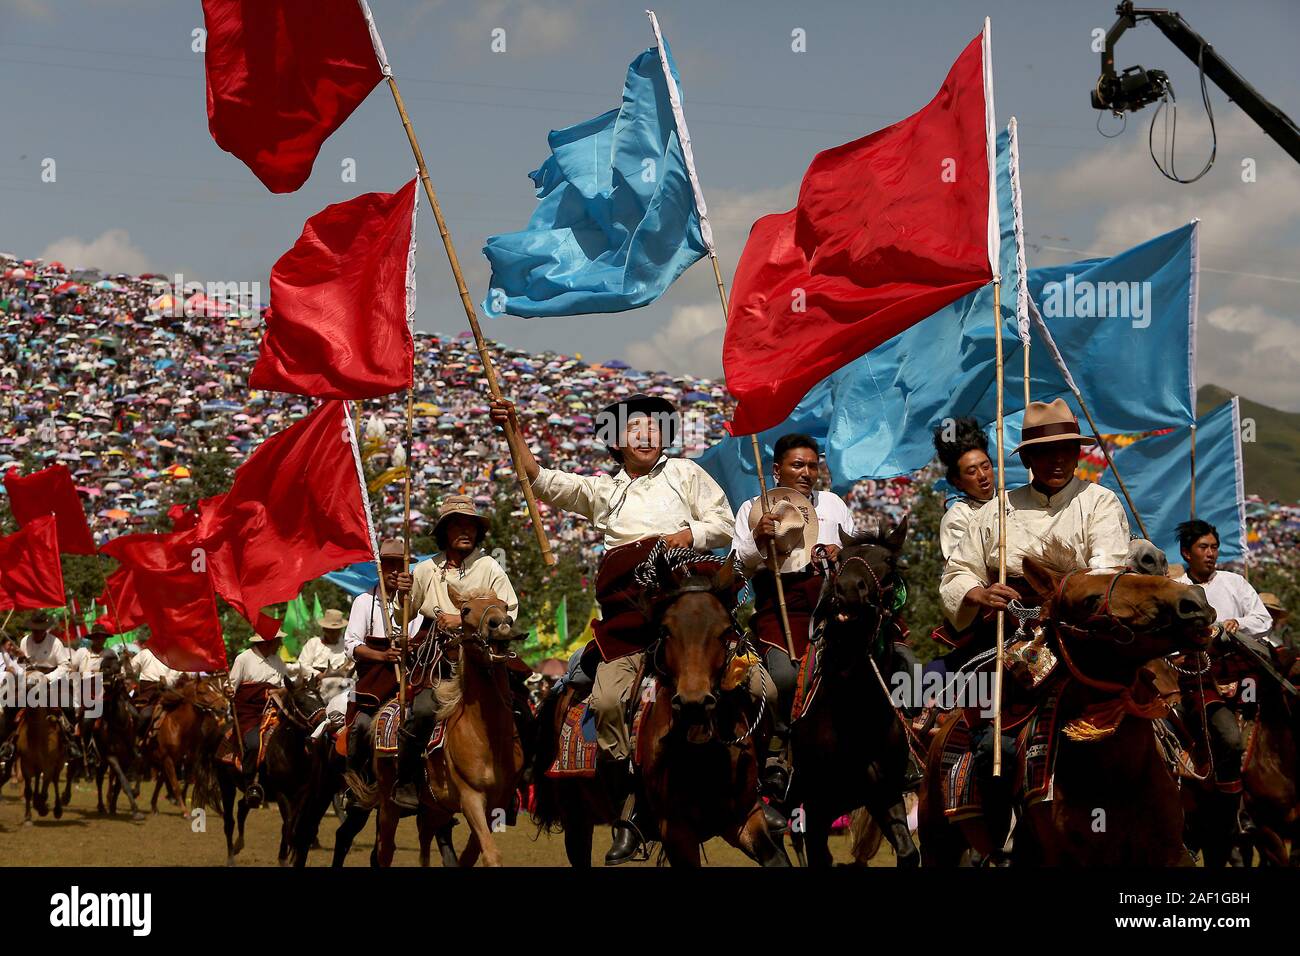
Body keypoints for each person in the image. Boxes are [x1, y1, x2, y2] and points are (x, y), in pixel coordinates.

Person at [490, 391, 768, 864]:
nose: (646, 434)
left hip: (688, 617)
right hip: (627, 623)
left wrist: (689, 535)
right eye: (634, 428)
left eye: (654, 428)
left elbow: (723, 523)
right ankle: (632, 807)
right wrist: (511, 429)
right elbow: (539, 480)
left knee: (764, 684)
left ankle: (766, 784)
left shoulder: (686, 474)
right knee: (605, 701)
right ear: (615, 442)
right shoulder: (604, 490)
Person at [939, 399, 1130, 848]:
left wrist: (1060, 597)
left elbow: (1105, 573)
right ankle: (996, 835)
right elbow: (957, 571)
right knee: (990, 745)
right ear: (1026, 458)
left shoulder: (1099, 501)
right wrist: (978, 592)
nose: (1058, 460)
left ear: (1080, 453)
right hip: (1007, 639)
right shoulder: (994, 510)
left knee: (1159, 709)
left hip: (1083, 639)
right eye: (1045, 452)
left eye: (1067, 450)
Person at [731, 433, 852, 798]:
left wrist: (839, 552)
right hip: (778, 610)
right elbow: (738, 566)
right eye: (798, 464)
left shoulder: (833, 504)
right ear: (776, 469)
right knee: (785, 675)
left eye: (813, 465)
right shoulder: (752, 507)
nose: (807, 472)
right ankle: (777, 751)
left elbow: (856, 553)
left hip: (830, 608)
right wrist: (757, 537)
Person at [390, 494, 517, 810]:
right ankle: (406, 781)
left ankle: (517, 779)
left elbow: (509, 611)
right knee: (420, 712)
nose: (465, 531)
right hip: (438, 657)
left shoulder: (489, 566)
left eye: (470, 526)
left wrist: (466, 621)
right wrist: (402, 594)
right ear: (444, 531)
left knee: (522, 708)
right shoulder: (423, 570)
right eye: (457, 525)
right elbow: (402, 617)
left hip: (482, 654)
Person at [1172, 519, 1272, 837]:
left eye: (1214, 547)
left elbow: (1263, 619)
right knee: (1229, 736)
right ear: (1187, 552)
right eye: (1204, 547)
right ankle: (1232, 813)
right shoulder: (1177, 591)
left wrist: (1235, 623)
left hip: (1244, 674)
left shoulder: (1234, 583)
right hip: (1199, 680)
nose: (1211, 553)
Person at [342, 538, 424, 797]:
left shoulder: (417, 605)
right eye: (389, 566)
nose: (395, 572)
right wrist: (383, 655)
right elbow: (351, 645)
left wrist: (410, 649)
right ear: (379, 568)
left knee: (425, 722)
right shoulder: (364, 602)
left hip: (408, 683)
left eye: (401, 567)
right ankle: (354, 782)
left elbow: (421, 640)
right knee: (362, 727)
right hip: (373, 686)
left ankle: (420, 786)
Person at [228, 630, 301, 809]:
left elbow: (285, 685)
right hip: (249, 713)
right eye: (278, 641)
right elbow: (231, 685)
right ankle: (250, 783)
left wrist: (280, 691)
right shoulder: (243, 658)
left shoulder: (277, 660)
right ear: (267, 642)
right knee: (254, 743)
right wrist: (228, 690)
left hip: (275, 711)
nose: (280, 645)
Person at [296, 609, 351, 676]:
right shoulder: (313, 643)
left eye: (336, 631)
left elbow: (350, 664)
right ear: (324, 630)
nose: (333, 634)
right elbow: (303, 664)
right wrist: (318, 674)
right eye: (330, 631)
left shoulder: (346, 645)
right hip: (315, 679)